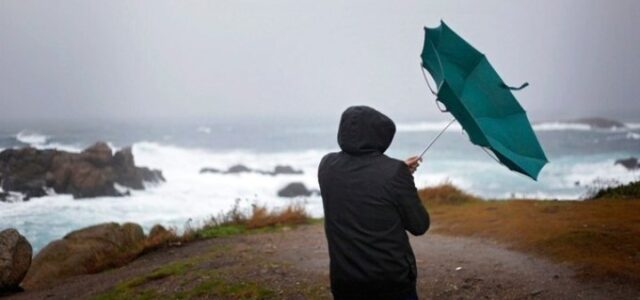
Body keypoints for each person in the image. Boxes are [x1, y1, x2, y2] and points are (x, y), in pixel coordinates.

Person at [318, 106, 430, 300]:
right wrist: (402, 176)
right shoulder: (393, 173)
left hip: (344, 281)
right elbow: (419, 225)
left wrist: (399, 171)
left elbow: (360, 179)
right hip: (390, 283)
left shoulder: (327, 165)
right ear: (382, 136)